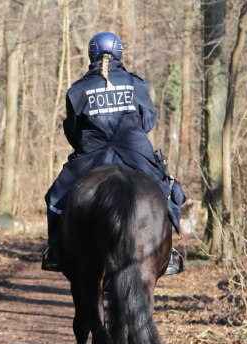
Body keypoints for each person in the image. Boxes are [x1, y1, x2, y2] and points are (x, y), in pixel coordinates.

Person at [42, 32, 185, 274]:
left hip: (92, 155)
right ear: (119, 52)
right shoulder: (136, 84)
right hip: (134, 151)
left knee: (56, 198)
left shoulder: (77, 91)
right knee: (167, 190)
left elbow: (73, 132)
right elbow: (148, 121)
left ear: (91, 54)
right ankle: (168, 253)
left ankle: (54, 251)